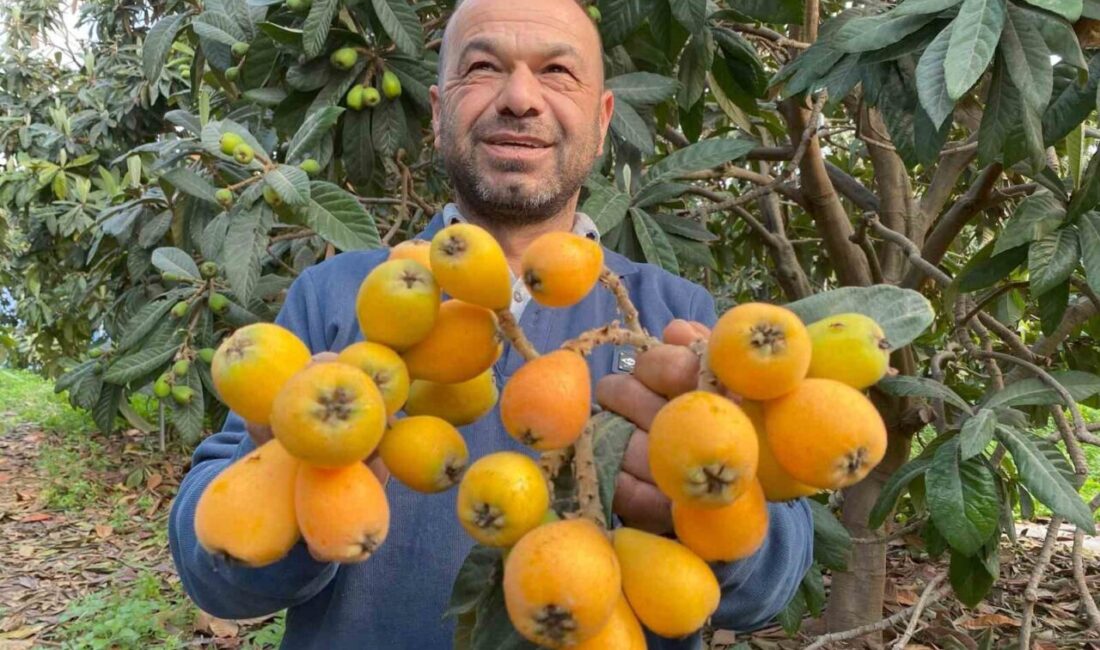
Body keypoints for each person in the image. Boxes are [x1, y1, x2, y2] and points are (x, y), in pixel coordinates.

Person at [168, 0, 814, 646]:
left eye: (558, 72)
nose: (520, 97)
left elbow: (769, 584)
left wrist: (704, 513)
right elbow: (216, 569)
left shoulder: (673, 313)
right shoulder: (336, 296)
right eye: (483, 67)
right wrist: (290, 471)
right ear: (438, 110)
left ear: (603, 116)